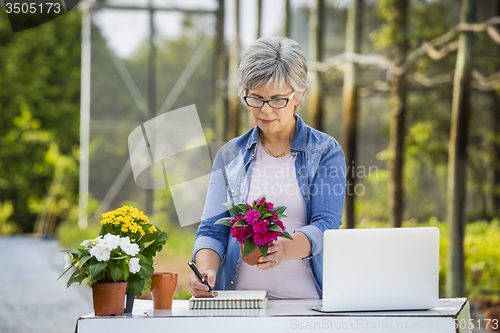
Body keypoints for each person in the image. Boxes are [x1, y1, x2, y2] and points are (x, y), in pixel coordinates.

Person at [188, 36, 346, 299]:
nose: (265, 110)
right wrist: (205, 271)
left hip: (304, 304)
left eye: (277, 99)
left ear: (299, 96)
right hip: (239, 305)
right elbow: (212, 230)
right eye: (256, 98)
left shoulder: (325, 151)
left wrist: (283, 249)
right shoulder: (230, 155)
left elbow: (326, 225)